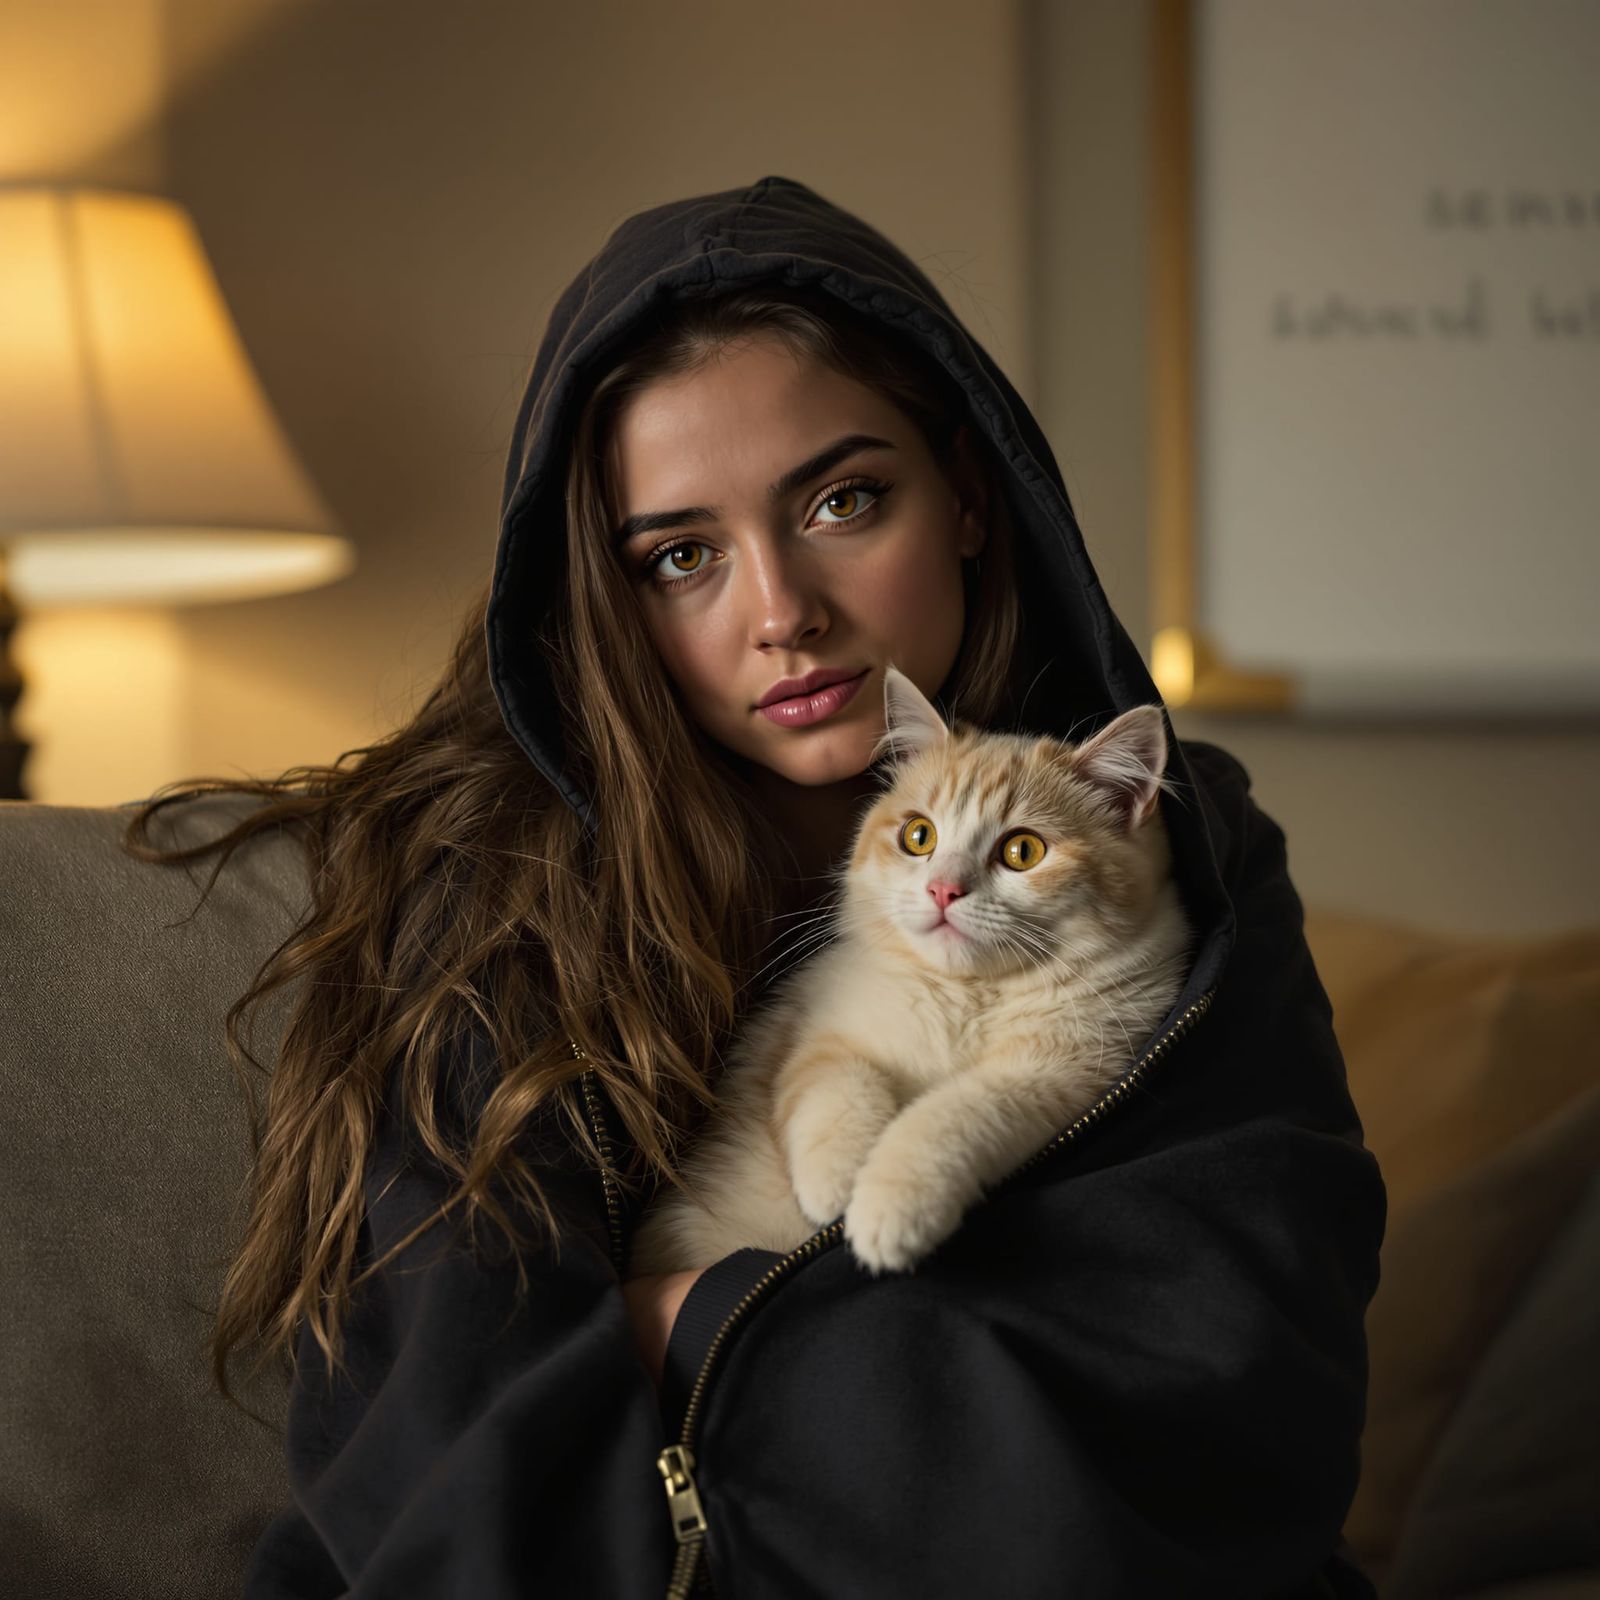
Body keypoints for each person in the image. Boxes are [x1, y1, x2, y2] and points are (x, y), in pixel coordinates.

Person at [127, 175, 1386, 1597]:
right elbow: (450, 1434)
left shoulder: (1183, 839)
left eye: (844, 501)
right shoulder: (486, 892)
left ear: (969, 498)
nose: (782, 613)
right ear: (607, 599)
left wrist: (691, 1327)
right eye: (681, 558)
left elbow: (1239, 1363)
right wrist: (865, 1346)